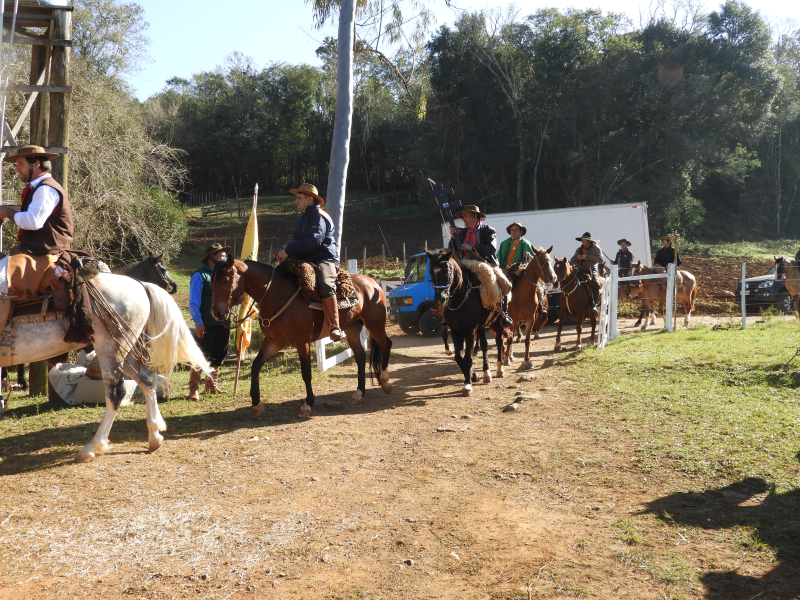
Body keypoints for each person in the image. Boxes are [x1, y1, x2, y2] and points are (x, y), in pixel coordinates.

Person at [0, 145, 72, 334]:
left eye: (20, 164)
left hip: (43, 253)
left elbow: (33, 221)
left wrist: (7, 212)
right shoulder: (39, 188)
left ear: (36, 164)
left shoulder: (46, 189)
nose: (17, 168)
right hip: (34, 250)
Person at [275, 183, 343, 341]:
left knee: (325, 283)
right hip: (306, 259)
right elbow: (299, 242)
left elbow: (314, 241)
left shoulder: (319, 216)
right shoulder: (303, 217)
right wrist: (287, 252)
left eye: (299, 198)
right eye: (297, 198)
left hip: (324, 259)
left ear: (310, 198)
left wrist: (288, 250)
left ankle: (334, 326)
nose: (296, 201)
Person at [448, 205, 513, 326]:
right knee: (448, 281)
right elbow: (452, 250)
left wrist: (471, 247)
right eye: (463, 216)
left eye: (466, 216)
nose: (463, 219)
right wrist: (453, 239)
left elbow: (491, 248)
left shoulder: (488, 230)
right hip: (465, 264)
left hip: (486, 263)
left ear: (475, 216)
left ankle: (504, 313)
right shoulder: (462, 233)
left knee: (504, 282)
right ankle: (446, 312)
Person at [188, 243, 231, 400]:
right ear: (212, 256)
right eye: (220, 254)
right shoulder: (200, 275)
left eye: (225, 254)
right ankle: (193, 388)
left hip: (224, 323)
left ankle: (211, 385)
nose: (224, 256)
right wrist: (198, 322)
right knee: (200, 356)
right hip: (206, 323)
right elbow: (194, 302)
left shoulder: (226, 274)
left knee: (218, 354)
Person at [497, 221, 546, 317]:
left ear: (521, 232)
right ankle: (497, 309)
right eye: (512, 230)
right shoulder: (504, 243)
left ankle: (541, 305)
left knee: (539, 285)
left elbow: (533, 260)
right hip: (505, 271)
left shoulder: (527, 244)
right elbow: (498, 258)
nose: (514, 232)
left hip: (521, 271)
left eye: (516, 230)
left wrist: (529, 256)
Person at [570, 232, 604, 316]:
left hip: (592, 270)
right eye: (582, 240)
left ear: (589, 241)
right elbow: (572, 261)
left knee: (596, 284)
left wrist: (587, 257)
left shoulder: (596, 249)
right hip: (580, 270)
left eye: (584, 240)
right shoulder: (579, 250)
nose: (582, 242)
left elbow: (601, 260)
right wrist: (577, 258)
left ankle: (594, 305)